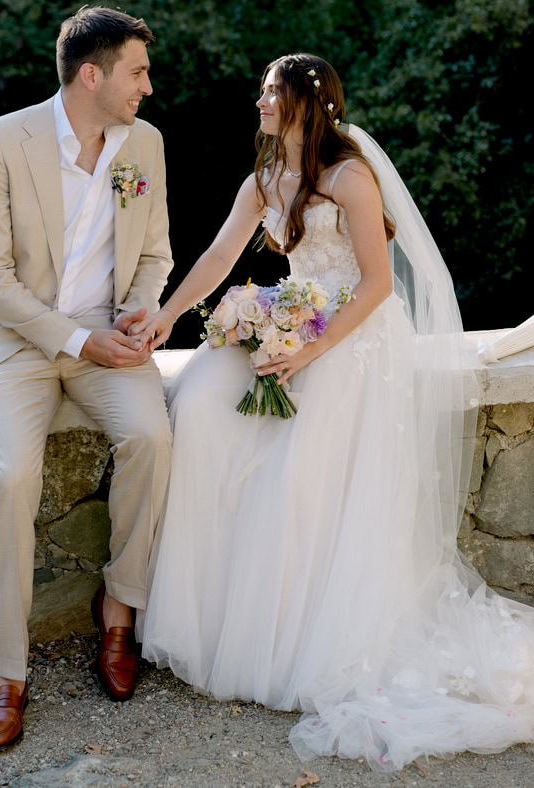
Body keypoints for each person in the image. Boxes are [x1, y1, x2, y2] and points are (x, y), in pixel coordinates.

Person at [135, 53, 534, 773]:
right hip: (290, 324)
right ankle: (217, 620)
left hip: (348, 339)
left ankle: (296, 642)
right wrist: (166, 319)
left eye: (269, 94)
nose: (258, 103)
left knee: (296, 479)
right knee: (195, 403)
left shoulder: (350, 176)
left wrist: (306, 352)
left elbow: (378, 286)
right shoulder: (264, 179)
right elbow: (220, 256)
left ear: (302, 104)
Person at [0, 5, 174, 750]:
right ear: (91, 74)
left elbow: (154, 255)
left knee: (150, 435)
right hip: (14, 344)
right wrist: (79, 339)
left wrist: (137, 316)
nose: (147, 84)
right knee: (10, 480)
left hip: (107, 338)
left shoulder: (146, 144)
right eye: (137, 70)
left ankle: (121, 610)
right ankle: (9, 674)